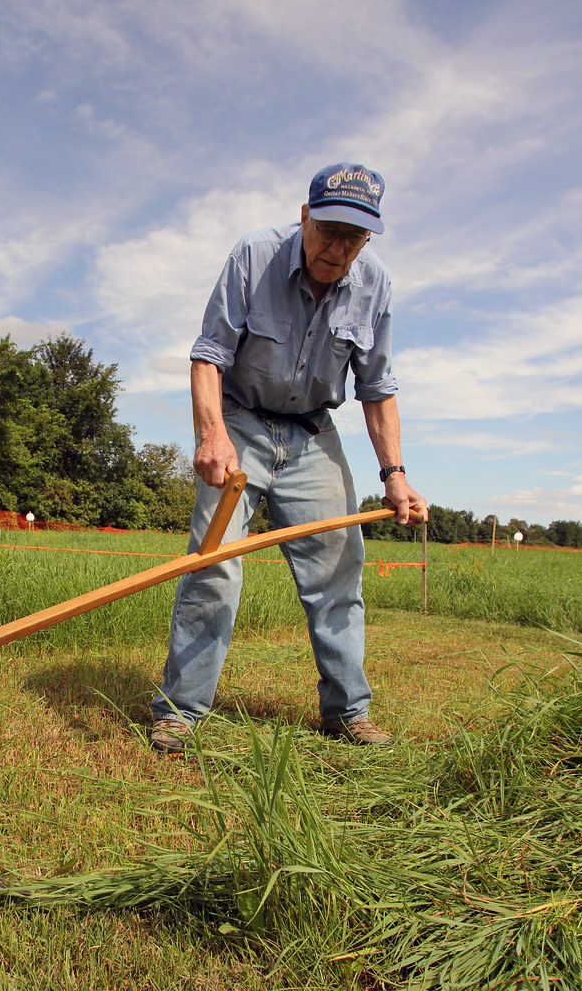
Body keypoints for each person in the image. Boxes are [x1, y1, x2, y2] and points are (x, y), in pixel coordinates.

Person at [150, 163, 427, 755]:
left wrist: (395, 475)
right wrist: (211, 435)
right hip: (240, 422)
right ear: (305, 217)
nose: (338, 249)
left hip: (312, 433)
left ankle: (347, 712)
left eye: (354, 238)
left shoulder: (375, 285)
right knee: (213, 566)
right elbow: (208, 354)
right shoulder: (254, 256)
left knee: (337, 571)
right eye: (328, 231)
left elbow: (378, 387)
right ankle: (179, 712)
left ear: (368, 239)